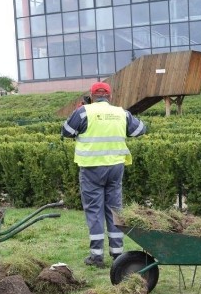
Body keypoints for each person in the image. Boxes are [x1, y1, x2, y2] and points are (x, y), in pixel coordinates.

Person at [61, 81, 147, 268]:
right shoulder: (121, 113)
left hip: (91, 168)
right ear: (109, 96)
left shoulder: (84, 112)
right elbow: (140, 130)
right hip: (115, 167)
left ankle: (96, 255)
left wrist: (78, 111)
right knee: (114, 209)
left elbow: (66, 132)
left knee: (94, 210)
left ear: (92, 96)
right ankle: (118, 253)